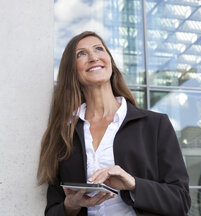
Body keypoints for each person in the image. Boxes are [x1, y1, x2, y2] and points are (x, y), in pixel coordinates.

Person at [37, 31, 191, 216]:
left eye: (99, 49)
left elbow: (180, 201)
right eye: (81, 54)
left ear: (110, 61)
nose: (93, 57)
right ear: (72, 71)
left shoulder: (155, 125)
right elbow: (52, 211)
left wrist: (133, 184)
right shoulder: (63, 134)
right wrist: (71, 205)